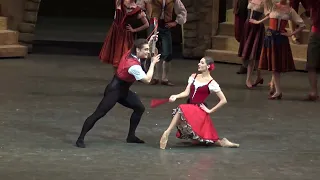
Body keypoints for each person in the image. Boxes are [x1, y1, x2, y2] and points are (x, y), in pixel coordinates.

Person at [76, 36, 160, 148]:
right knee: (99, 114)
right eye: (145, 50)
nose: (148, 52)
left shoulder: (132, 52)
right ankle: (80, 139)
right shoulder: (133, 66)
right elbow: (147, 80)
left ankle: (131, 136)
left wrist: (151, 41)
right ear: (138, 50)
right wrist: (153, 63)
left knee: (139, 108)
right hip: (114, 91)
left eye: (147, 49)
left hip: (124, 90)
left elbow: (141, 47)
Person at [159, 57, 240, 149]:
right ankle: (223, 142)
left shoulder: (212, 83)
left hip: (199, 110)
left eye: (202, 63)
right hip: (190, 107)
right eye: (199, 62)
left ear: (208, 66)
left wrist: (210, 111)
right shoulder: (194, 76)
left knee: (181, 108)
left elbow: (223, 100)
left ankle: (167, 132)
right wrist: (176, 96)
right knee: (200, 140)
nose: (199, 64)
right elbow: (186, 92)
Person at [250, 0, 305, 99]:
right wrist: (258, 21)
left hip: (280, 38)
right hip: (270, 37)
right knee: (273, 65)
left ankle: (277, 90)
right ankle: (276, 89)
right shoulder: (272, 6)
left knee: (276, 66)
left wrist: (290, 34)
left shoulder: (290, 10)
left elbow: (302, 25)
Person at [99, 0, 149, 72]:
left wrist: (134, 30)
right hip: (115, 32)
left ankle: (121, 76)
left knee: (122, 56)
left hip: (125, 35)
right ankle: (116, 76)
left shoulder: (137, 9)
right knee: (115, 55)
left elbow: (146, 24)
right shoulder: (120, 2)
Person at [146, 0, 187, 86]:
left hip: (165, 26)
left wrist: (175, 22)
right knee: (153, 50)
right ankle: (155, 77)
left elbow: (182, 11)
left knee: (168, 53)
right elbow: (141, 5)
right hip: (154, 24)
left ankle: (165, 78)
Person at [238, 0, 269, 88]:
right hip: (248, 26)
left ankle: (248, 79)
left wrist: (259, 21)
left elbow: (269, 15)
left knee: (253, 54)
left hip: (257, 29)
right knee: (250, 52)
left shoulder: (264, 2)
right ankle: (259, 76)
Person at [305, 0, 320, 101]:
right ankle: (314, 91)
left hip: (316, 31)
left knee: (311, 64)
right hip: (316, 30)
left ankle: (314, 91)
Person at [233, 0, 249, 74]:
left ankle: (245, 65)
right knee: (241, 37)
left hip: (247, 14)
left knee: (246, 39)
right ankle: (246, 64)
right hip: (240, 12)